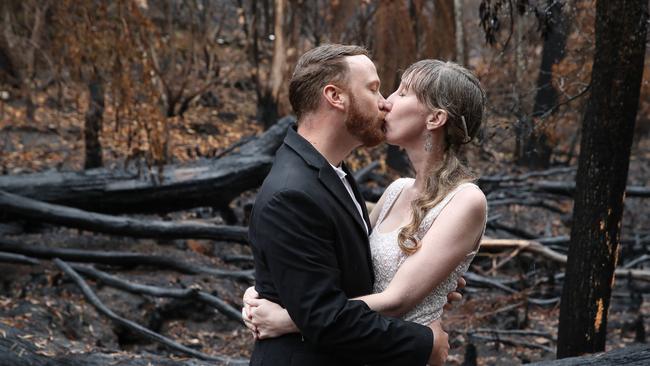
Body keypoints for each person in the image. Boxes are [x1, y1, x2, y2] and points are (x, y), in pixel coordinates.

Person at [244, 58, 488, 364]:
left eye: (402, 93)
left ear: (435, 118)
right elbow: (343, 260)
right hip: (364, 346)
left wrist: (288, 319)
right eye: (381, 90)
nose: (386, 102)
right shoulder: (396, 190)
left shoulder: (466, 201)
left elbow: (396, 298)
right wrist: (262, 290)